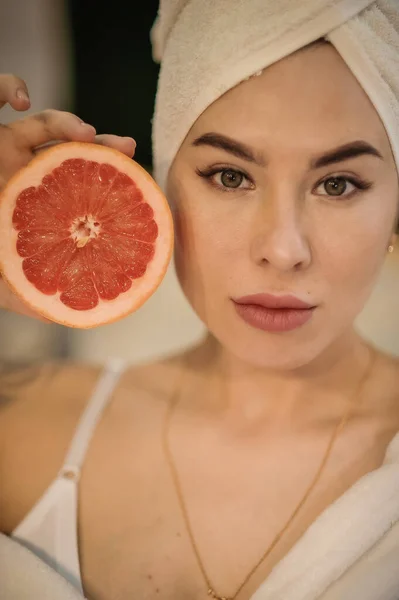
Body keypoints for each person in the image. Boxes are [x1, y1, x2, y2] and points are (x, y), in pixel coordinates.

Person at [1, 1, 399, 599]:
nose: (283, 250)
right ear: (162, 184)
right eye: (230, 176)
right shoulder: (24, 429)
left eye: (337, 184)